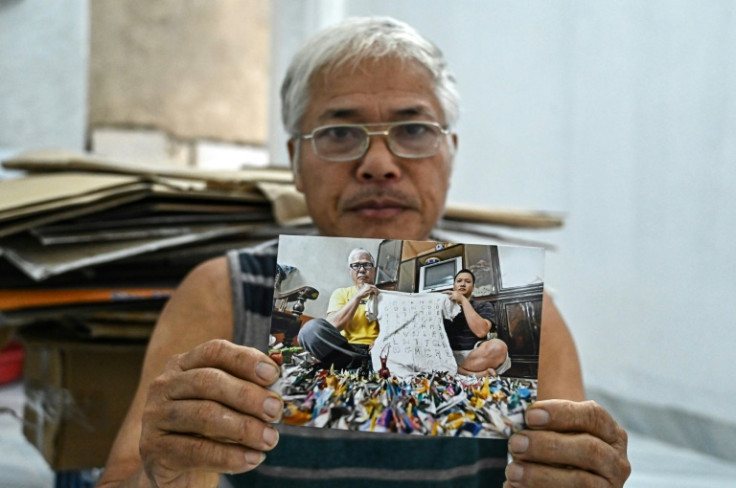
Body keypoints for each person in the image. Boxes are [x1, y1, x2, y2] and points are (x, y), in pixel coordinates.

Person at [98, 16, 630, 488]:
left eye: (415, 129)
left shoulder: (537, 318)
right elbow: (131, 477)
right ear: (295, 161)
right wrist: (164, 475)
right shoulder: (222, 293)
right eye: (339, 132)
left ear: (450, 154)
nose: (378, 163)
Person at [297, 248, 379, 369]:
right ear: (350, 270)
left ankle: (366, 365)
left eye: (367, 265)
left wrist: (381, 344)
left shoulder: (386, 295)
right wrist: (358, 296)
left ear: (374, 270)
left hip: (379, 350)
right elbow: (333, 325)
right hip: (347, 351)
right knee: (309, 330)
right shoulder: (341, 293)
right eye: (356, 265)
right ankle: (354, 364)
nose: (362, 269)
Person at [444, 269, 511, 377]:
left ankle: (460, 372)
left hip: (476, 356)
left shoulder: (483, 306)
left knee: (498, 347)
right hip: (448, 355)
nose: (462, 284)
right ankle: (468, 374)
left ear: (473, 287)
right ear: (454, 286)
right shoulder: (445, 306)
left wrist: (463, 300)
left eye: (467, 281)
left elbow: (481, 332)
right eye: (459, 281)